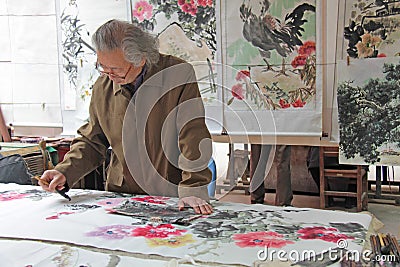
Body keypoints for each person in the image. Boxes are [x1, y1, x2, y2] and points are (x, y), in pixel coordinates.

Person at [39, 20, 213, 215]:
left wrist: (193, 187)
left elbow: (192, 135)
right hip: (121, 193)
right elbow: (92, 140)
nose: (108, 74)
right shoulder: (103, 85)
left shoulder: (177, 74)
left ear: (141, 59)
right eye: (102, 66)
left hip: (169, 193)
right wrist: (64, 172)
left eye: (116, 69)